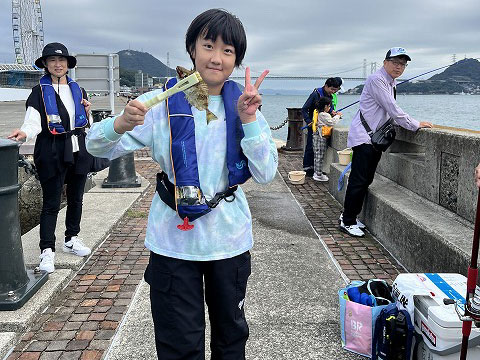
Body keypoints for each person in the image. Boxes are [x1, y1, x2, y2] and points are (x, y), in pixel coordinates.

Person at [86, 9, 277, 359]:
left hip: (228, 241)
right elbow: (95, 147)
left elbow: (265, 173)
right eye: (208, 45)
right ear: (191, 49)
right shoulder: (159, 104)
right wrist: (120, 122)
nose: (216, 58)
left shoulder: (245, 106)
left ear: (237, 60)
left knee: (231, 336)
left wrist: (249, 119)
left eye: (228, 51)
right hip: (173, 243)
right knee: (178, 343)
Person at [8, 42, 93, 273]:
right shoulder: (38, 92)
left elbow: (87, 123)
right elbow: (33, 122)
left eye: (62, 60)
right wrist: (23, 133)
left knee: (76, 197)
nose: (58, 64)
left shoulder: (80, 90)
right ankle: (47, 250)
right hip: (51, 150)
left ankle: (72, 237)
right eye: (53, 60)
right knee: (51, 202)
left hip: (77, 147)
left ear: (68, 64)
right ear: (45, 64)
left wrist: (87, 113)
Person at [339, 47, 433, 237]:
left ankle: (350, 217)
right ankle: (347, 220)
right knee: (359, 180)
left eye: (403, 64)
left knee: (365, 180)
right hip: (365, 138)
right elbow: (392, 108)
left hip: (372, 139)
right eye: (396, 62)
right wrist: (414, 124)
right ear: (385, 62)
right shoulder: (377, 80)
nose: (399, 67)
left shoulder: (390, 82)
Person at [302, 77, 342, 176]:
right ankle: (307, 168)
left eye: (335, 90)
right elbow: (304, 109)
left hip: (323, 127)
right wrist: (308, 121)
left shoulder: (330, 95)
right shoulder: (316, 94)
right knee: (310, 146)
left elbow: (330, 108)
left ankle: (317, 169)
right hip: (314, 125)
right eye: (332, 89)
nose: (333, 92)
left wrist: (333, 112)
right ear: (326, 86)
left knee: (319, 149)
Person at [312, 96, 341, 181]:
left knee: (318, 155)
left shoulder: (318, 113)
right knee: (319, 156)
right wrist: (338, 116)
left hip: (317, 136)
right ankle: (318, 174)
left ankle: (317, 173)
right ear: (325, 106)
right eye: (328, 106)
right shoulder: (323, 114)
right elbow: (331, 122)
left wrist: (333, 115)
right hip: (320, 138)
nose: (329, 108)